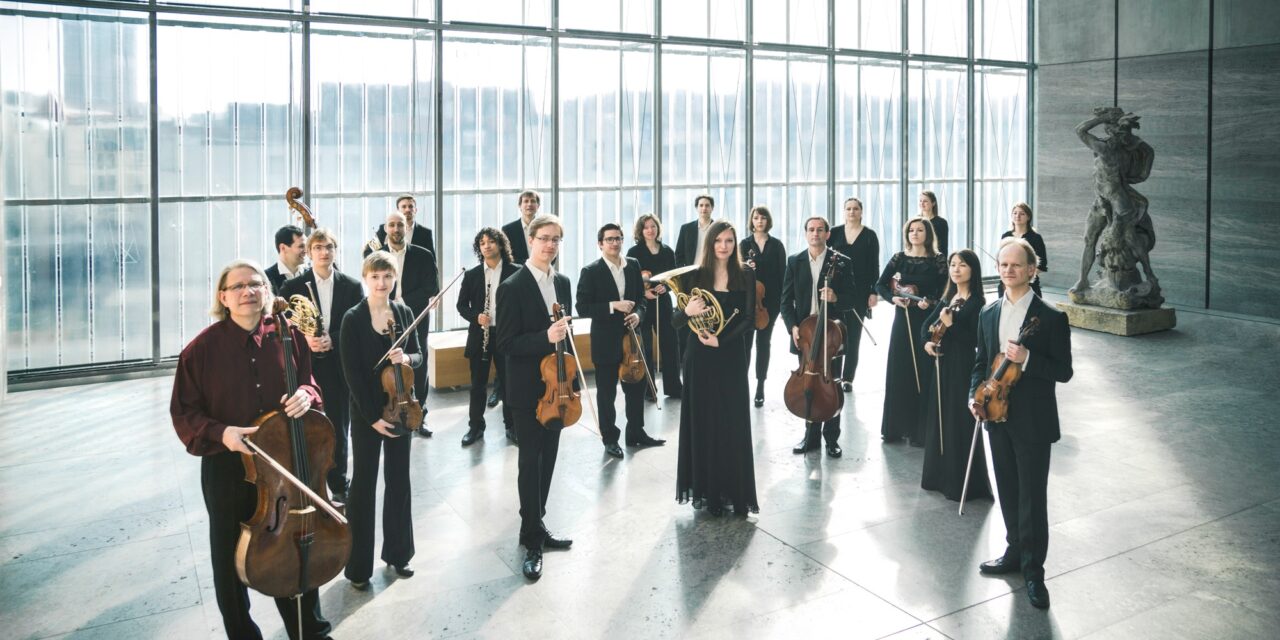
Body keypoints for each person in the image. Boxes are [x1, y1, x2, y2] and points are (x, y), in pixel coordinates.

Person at [170, 259, 331, 640]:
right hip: (229, 467)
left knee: (294, 548)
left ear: (266, 291)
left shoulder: (288, 334)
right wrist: (222, 433)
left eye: (256, 284)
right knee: (230, 560)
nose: (248, 292)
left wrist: (306, 395)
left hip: (285, 462)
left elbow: (309, 382)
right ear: (223, 297)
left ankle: (310, 632)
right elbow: (184, 412)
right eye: (238, 286)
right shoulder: (201, 350)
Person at [969, 237, 1073, 610]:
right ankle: (1014, 552)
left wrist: (1028, 358)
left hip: (1033, 421)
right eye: (1003, 264)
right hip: (996, 416)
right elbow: (981, 362)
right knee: (1008, 491)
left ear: (1032, 270)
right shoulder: (988, 312)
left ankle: (1033, 571)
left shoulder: (1051, 317)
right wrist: (974, 396)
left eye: (1016, 265)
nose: (1008, 270)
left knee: (1032, 497)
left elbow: (1064, 371)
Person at [495, 214, 576, 581]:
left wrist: (570, 374)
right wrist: (546, 336)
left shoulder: (563, 282)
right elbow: (506, 343)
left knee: (549, 459)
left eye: (556, 239)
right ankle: (531, 541)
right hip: (527, 391)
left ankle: (537, 523)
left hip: (557, 390)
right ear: (530, 240)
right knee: (530, 462)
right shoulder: (511, 286)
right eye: (544, 238)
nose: (550, 245)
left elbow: (566, 337)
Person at [338, 251, 422, 590]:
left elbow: (418, 355)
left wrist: (407, 357)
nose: (381, 282)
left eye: (387, 276)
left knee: (399, 480)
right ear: (365, 278)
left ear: (395, 277)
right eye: (375, 276)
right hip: (367, 413)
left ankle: (399, 554)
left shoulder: (404, 312)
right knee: (363, 485)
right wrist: (372, 417)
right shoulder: (353, 318)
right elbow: (352, 375)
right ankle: (358, 567)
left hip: (401, 406)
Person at [674, 220, 759, 516]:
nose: (724, 246)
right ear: (709, 243)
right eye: (718, 241)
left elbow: (749, 320)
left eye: (729, 241)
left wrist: (720, 341)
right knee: (703, 422)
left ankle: (732, 491)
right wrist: (688, 311)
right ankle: (706, 492)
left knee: (732, 422)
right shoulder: (694, 275)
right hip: (699, 357)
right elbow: (675, 321)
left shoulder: (745, 274)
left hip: (730, 355)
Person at [279, 229, 364, 502]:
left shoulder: (352, 286)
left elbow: (358, 325)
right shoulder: (292, 287)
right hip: (306, 366)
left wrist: (333, 339)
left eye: (329, 247)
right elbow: (282, 323)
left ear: (335, 251)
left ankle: (339, 483)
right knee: (306, 425)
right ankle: (308, 484)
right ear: (309, 252)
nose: (324, 252)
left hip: (338, 365)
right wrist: (305, 338)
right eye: (318, 248)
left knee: (338, 426)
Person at [577, 223, 665, 457]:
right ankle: (610, 439)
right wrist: (612, 306)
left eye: (618, 238)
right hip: (605, 341)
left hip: (633, 339)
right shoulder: (590, 271)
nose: (614, 243)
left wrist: (639, 315)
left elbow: (641, 300)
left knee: (636, 388)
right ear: (600, 244)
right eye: (609, 239)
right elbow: (582, 307)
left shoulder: (633, 265)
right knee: (606, 393)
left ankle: (636, 433)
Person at [780, 217, 856, 458]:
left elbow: (852, 299)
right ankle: (810, 437)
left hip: (832, 336)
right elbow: (785, 301)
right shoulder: (795, 261)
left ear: (827, 234)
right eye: (811, 230)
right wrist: (792, 327)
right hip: (806, 336)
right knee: (808, 385)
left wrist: (835, 298)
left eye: (820, 230)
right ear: (806, 233)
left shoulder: (841, 262)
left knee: (831, 385)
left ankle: (832, 439)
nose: (815, 233)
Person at [919, 249, 991, 502]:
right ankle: (938, 477)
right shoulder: (948, 297)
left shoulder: (977, 303)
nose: (956, 269)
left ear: (973, 270)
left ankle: (960, 482)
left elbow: (976, 341)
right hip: (942, 364)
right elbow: (925, 326)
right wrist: (927, 343)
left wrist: (951, 325)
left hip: (963, 366)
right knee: (940, 418)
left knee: (958, 420)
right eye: (952, 265)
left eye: (962, 265)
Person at [364, 210, 439, 437]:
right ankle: (387, 410)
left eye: (400, 225)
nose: (396, 229)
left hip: (414, 315)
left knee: (418, 362)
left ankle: (420, 414)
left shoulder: (424, 255)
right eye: (391, 225)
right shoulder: (376, 254)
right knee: (386, 361)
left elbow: (431, 288)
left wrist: (401, 303)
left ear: (407, 227)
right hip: (382, 314)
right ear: (386, 229)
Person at [875, 217, 947, 445]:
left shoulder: (938, 260)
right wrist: (893, 298)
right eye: (911, 230)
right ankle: (896, 428)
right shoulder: (899, 258)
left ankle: (920, 430)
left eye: (920, 230)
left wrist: (931, 303)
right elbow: (880, 285)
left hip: (926, 320)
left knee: (923, 370)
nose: (915, 233)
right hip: (903, 319)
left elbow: (946, 291)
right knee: (900, 369)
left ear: (928, 234)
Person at [457, 228, 519, 446]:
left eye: (491, 241)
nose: (486, 246)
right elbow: (461, 306)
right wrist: (477, 317)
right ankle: (475, 427)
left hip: (507, 336)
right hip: (480, 336)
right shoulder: (472, 275)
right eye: (482, 243)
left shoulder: (516, 272)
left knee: (510, 384)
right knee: (477, 385)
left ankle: (511, 426)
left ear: (500, 244)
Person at [626, 213, 683, 398]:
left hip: (663, 303)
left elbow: (674, 278)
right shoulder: (634, 253)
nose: (650, 230)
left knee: (670, 344)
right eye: (646, 227)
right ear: (640, 231)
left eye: (653, 226)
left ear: (658, 228)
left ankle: (674, 387)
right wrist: (644, 293)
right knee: (646, 348)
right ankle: (649, 389)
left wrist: (665, 287)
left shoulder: (667, 251)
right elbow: (630, 281)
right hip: (643, 306)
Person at [827, 197, 880, 391]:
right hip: (837, 291)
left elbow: (874, 266)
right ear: (844, 211)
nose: (852, 212)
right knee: (835, 334)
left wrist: (873, 292)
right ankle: (835, 376)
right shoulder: (834, 233)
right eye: (848, 208)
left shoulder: (870, 236)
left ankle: (848, 378)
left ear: (861, 212)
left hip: (860, 291)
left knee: (853, 335)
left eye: (856, 209)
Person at [739, 205, 786, 407]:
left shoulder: (777, 245)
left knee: (764, 343)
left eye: (763, 218)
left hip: (770, 303)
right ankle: (742, 385)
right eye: (756, 218)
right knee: (746, 344)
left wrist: (783, 304)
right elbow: (735, 273)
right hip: (748, 301)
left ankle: (760, 385)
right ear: (752, 221)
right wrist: (745, 268)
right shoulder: (743, 244)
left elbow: (783, 275)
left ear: (768, 221)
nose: (759, 221)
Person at [998, 202, 1048, 299]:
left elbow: (1042, 264)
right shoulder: (1006, 236)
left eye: (1022, 213)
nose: (1017, 216)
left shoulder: (1036, 238)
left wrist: (1025, 277)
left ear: (1028, 217)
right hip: (1007, 283)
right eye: (1015, 213)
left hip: (1029, 283)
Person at [364, 194, 437, 257]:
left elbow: (431, 259)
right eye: (404, 207)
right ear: (398, 210)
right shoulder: (384, 229)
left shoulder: (425, 233)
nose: (407, 210)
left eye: (411, 206)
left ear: (415, 210)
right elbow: (368, 252)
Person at [502, 189, 542, 265]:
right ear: (520, 206)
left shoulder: (545, 228)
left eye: (533, 201)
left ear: (538, 206)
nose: (529, 204)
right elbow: (506, 256)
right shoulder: (508, 230)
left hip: (542, 270)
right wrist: (530, 266)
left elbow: (552, 252)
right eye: (526, 201)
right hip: (518, 271)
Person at [674, 194, 715, 268]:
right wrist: (684, 271)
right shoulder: (686, 229)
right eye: (701, 205)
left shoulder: (718, 229)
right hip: (691, 272)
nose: (704, 208)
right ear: (696, 208)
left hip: (712, 270)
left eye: (707, 205)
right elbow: (678, 254)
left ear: (712, 208)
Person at [265, 225, 306, 294]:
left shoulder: (310, 274)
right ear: (283, 248)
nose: (306, 250)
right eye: (301, 246)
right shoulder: (266, 278)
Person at [919, 190, 948, 256]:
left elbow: (943, 247)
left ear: (933, 203)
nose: (922, 203)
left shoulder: (941, 222)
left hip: (934, 257)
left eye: (925, 201)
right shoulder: (915, 221)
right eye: (920, 201)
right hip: (918, 257)